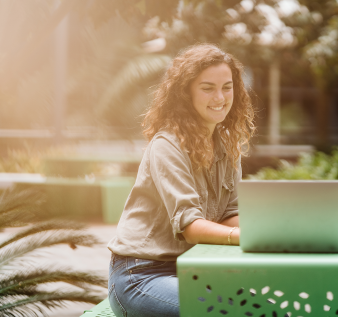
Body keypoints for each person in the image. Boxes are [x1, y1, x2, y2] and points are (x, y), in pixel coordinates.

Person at [107, 44, 255, 317]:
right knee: (227, 312)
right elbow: (190, 226)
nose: (220, 97)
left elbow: (230, 214)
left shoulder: (226, 146)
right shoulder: (168, 145)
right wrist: (245, 236)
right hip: (140, 276)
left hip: (192, 269)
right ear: (185, 93)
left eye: (227, 86)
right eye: (207, 88)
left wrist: (273, 227)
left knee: (267, 308)